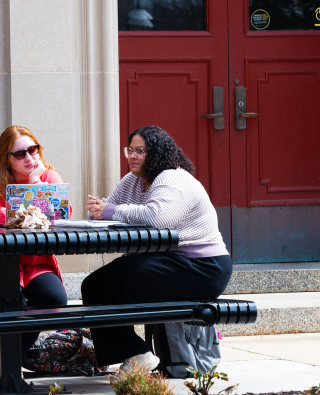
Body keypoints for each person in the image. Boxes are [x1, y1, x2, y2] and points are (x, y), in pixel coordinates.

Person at [85, 125, 232, 372]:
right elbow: (110, 213)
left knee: (118, 277)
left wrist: (108, 210)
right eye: (129, 150)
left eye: (139, 151)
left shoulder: (172, 177)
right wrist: (100, 210)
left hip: (202, 267)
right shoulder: (132, 181)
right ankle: (134, 354)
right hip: (168, 263)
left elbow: (159, 218)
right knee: (93, 285)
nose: (132, 156)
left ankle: (137, 355)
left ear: (157, 153)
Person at [0, 125, 70, 371]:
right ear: (7, 159)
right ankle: (1, 357)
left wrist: (35, 185)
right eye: (20, 154)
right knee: (12, 299)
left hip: (36, 263)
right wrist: (32, 207)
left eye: (33, 150)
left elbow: (61, 216)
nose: (29, 158)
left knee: (55, 299)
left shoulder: (49, 177)